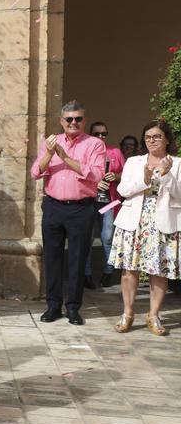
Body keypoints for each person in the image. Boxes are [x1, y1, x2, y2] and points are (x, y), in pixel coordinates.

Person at [31, 101, 106, 325]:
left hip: (81, 208)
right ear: (61, 121)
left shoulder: (94, 144)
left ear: (84, 120)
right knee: (52, 258)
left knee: (77, 258)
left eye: (78, 119)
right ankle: (53, 306)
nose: (74, 123)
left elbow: (96, 174)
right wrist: (50, 153)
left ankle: (73, 307)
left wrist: (64, 157)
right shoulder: (51, 142)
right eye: (69, 119)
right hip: (53, 206)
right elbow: (36, 172)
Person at [109, 120, 180, 336]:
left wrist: (167, 175)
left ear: (167, 139)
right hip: (134, 220)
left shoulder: (176, 164)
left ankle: (153, 315)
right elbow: (123, 189)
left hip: (162, 222)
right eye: (148, 137)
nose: (152, 141)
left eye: (157, 136)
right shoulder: (134, 162)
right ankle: (127, 313)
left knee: (158, 270)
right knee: (129, 269)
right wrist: (145, 179)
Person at [85, 122, 125, 289]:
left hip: (109, 201)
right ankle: (86, 274)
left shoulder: (114, 152)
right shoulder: (86, 151)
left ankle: (108, 272)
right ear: (90, 135)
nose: (101, 137)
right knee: (86, 238)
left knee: (107, 237)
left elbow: (126, 174)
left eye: (104, 133)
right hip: (88, 201)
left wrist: (115, 176)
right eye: (97, 134)